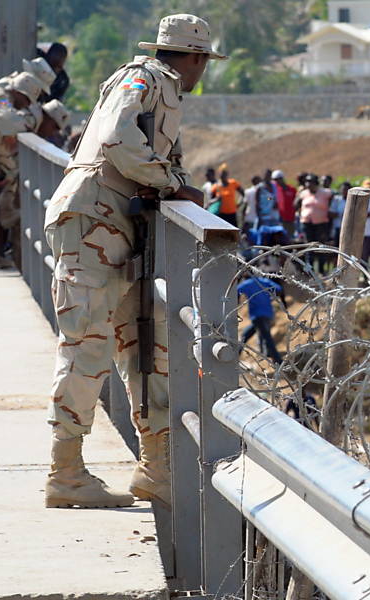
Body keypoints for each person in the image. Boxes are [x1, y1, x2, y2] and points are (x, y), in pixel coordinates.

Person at [41, 14, 224, 509]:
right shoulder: (142, 78)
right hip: (93, 225)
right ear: (194, 58)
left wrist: (173, 180)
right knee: (86, 346)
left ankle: (156, 468)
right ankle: (66, 473)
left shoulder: (165, 91)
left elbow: (162, 156)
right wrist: (170, 184)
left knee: (144, 349)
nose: (202, 70)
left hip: (122, 231)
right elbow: (121, 141)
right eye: (203, 60)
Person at [0, 71, 49, 270]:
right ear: (19, 92)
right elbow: (11, 124)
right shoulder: (1, 98)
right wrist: (22, 125)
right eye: (26, 99)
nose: (27, 105)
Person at [237, 275, 284, 364]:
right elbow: (278, 289)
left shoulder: (247, 284)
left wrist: (237, 302)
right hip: (268, 313)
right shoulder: (264, 281)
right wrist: (270, 298)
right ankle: (236, 354)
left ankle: (278, 361)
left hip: (257, 315)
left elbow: (236, 290)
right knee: (246, 334)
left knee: (266, 337)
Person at [298, 174, 331, 273]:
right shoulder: (303, 193)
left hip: (321, 224)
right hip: (307, 224)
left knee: (320, 247)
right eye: (306, 182)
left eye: (310, 182)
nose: (308, 184)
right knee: (309, 247)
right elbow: (296, 204)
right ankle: (310, 271)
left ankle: (321, 270)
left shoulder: (325, 193)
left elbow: (333, 202)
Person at [273, 170, 297, 239]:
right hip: (280, 218)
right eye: (275, 180)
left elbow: (296, 201)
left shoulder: (292, 189)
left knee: (291, 237)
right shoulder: (275, 190)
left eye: (277, 179)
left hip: (291, 218)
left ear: (282, 178)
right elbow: (269, 198)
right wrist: (270, 200)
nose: (276, 182)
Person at [329, 179, 348, 245]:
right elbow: (330, 213)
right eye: (343, 189)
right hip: (338, 227)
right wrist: (342, 214)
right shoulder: (336, 199)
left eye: (346, 189)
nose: (344, 191)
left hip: (348, 228)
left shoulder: (352, 200)